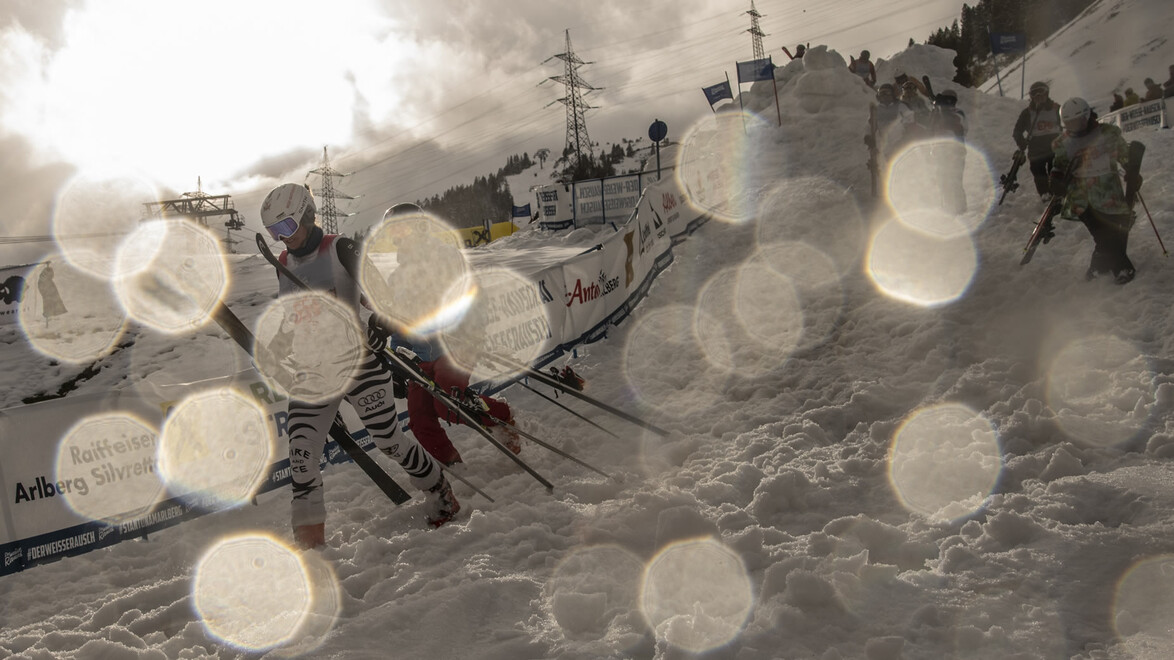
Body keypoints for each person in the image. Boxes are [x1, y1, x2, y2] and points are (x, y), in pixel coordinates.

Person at [259, 183, 459, 549]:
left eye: (286, 228)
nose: (282, 240)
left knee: (390, 442)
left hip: (359, 363)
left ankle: (439, 491)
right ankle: (311, 553)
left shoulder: (339, 248)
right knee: (301, 461)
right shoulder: (284, 265)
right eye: (274, 233)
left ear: (306, 216)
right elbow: (293, 318)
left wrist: (382, 324)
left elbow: (380, 293)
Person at [371, 203, 521, 467]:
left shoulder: (446, 256)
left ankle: (503, 415)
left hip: (455, 345)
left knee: (449, 404)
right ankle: (453, 467)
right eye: (393, 232)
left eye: (403, 229)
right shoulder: (396, 278)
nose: (398, 237)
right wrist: (398, 364)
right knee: (419, 420)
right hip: (420, 354)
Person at [1048, 97, 1138, 284]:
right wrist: (1055, 179)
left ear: (1087, 116)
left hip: (1108, 192)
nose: (1075, 126)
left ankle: (1098, 266)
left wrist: (1132, 170)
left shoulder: (1107, 134)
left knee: (1111, 230)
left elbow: (1123, 154)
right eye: (1070, 123)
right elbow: (1059, 166)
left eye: (1078, 121)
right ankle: (1122, 268)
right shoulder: (1063, 143)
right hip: (1081, 198)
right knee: (1102, 232)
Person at [1012, 81, 1063, 202]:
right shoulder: (1027, 113)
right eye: (1034, 94)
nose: (1038, 96)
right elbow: (1017, 131)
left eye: (1041, 93)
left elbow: (1068, 123)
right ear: (1031, 97)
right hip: (1036, 148)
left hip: (1054, 145)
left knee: (1055, 170)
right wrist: (1021, 142)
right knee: (1038, 172)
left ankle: (1058, 193)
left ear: (1047, 94)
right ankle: (1045, 194)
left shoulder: (1057, 109)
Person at [930, 89, 968, 214]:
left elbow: (960, 128)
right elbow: (930, 129)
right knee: (942, 180)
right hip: (939, 151)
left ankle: (961, 210)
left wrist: (943, 112)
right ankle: (946, 208)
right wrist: (936, 111)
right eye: (945, 99)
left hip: (955, 152)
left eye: (950, 100)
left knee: (955, 180)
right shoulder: (936, 113)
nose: (948, 102)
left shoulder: (958, 113)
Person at [870, 83, 913, 162]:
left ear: (892, 94)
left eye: (887, 93)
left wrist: (906, 126)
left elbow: (910, 118)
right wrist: (868, 137)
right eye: (882, 93)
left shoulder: (900, 106)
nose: (885, 96)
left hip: (900, 141)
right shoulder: (877, 110)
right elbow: (870, 126)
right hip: (885, 144)